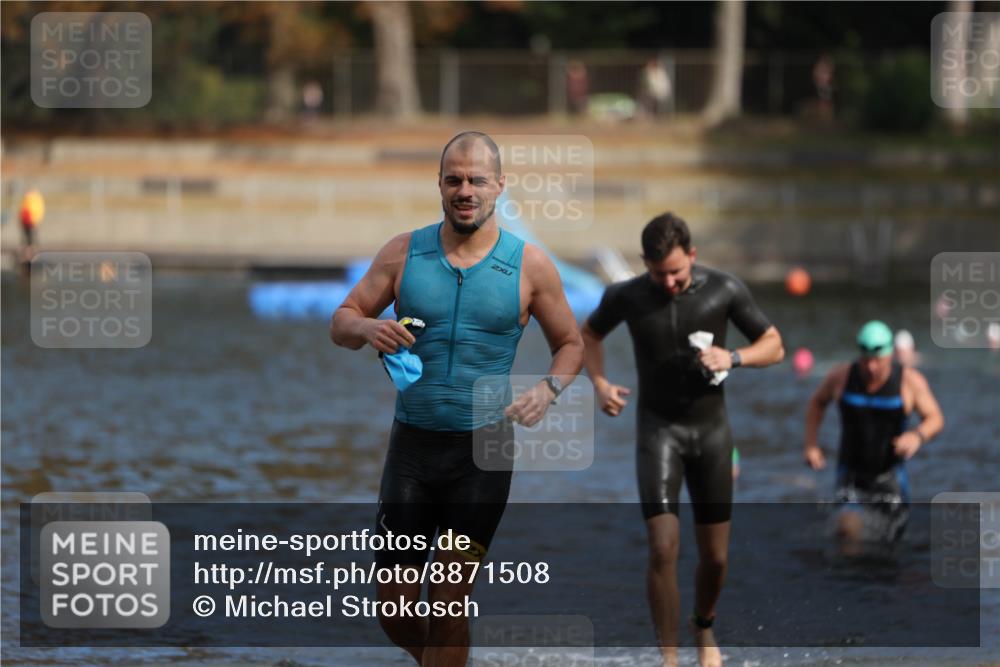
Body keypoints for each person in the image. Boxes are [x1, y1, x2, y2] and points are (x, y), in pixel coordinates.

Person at [329, 131, 583, 667]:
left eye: (476, 180)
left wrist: (549, 388)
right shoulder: (404, 253)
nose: (465, 190)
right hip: (413, 451)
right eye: (454, 179)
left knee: (448, 602)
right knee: (395, 611)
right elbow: (341, 321)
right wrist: (369, 328)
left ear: (500, 186)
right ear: (440, 185)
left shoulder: (529, 266)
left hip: (483, 452)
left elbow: (571, 345)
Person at [581, 213, 784, 667]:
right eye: (659, 274)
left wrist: (732, 355)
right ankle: (668, 659)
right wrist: (599, 383)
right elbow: (589, 334)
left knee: (715, 558)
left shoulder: (723, 289)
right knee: (662, 545)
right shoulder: (626, 296)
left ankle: (704, 625)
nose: (670, 282)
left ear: (692, 255)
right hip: (659, 433)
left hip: (712, 435)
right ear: (644, 265)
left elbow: (774, 343)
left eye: (677, 271)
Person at [804, 321, 944, 548]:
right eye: (866, 359)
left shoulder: (909, 382)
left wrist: (916, 436)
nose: (871, 367)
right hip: (850, 475)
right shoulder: (841, 376)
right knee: (847, 531)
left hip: (890, 479)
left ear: (890, 355)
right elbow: (817, 403)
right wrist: (811, 444)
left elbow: (936, 418)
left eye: (877, 360)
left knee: (890, 549)